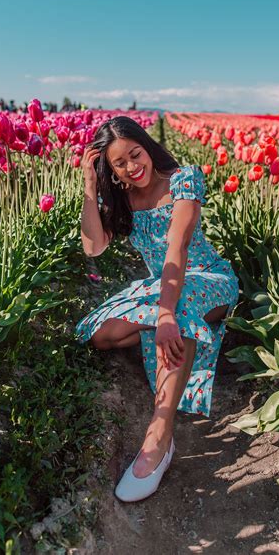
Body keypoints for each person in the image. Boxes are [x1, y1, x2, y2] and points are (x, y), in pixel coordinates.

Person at [75, 116, 239, 502]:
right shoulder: (124, 199)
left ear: (147, 146)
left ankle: (159, 437)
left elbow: (177, 250)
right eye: (120, 164)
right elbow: (92, 246)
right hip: (161, 287)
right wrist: (88, 187)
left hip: (207, 280)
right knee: (102, 336)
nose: (133, 166)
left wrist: (165, 314)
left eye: (136, 154)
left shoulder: (183, 180)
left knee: (179, 314)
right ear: (111, 171)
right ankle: (174, 326)